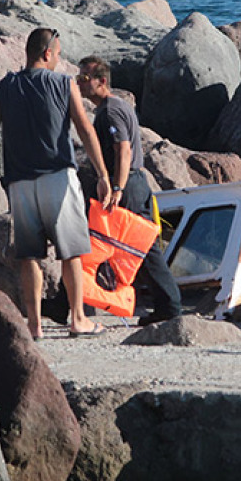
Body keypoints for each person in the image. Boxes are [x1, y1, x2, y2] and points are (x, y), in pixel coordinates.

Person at [0, 28, 112, 340]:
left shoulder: (2, 88)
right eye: (59, 54)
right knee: (72, 253)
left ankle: (35, 325)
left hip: (20, 183)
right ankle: (78, 319)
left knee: (29, 255)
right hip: (58, 178)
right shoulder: (64, 83)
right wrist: (104, 175)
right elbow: (85, 130)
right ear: (47, 53)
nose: (59, 60)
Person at [77, 55, 183, 326]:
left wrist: (117, 187)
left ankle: (169, 307)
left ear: (102, 81)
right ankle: (165, 305)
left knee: (139, 248)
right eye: (79, 77)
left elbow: (123, 148)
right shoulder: (114, 107)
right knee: (140, 247)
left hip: (128, 185)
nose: (80, 83)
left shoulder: (111, 111)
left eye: (85, 78)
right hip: (134, 183)